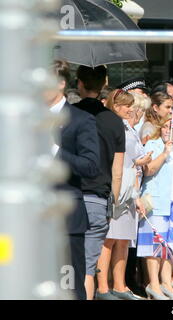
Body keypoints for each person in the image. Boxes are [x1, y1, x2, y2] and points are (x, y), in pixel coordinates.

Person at [46, 60, 100, 300]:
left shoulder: (80, 120)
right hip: (31, 216)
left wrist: (56, 151)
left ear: (60, 83)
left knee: (69, 288)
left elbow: (91, 166)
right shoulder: (27, 118)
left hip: (66, 216)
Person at [73, 65, 126, 300]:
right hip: (98, 198)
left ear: (79, 84)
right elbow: (117, 171)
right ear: (104, 84)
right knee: (87, 267)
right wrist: (112, 202)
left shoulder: (69, 114)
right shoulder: (115, 122)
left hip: (71, 196)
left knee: (65, 264)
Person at [94, 89, 152, 300]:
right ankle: (102, 287)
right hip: (115, 186)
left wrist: (136, 194)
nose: (130, 109)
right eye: (126, 105)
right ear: (115, 106)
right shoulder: (110, 125)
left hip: (130, 187)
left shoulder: (129, 126)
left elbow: (132, 159)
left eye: (131, 105)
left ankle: (120, 285)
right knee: (108, 239)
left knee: (123, 239)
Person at [137, 119, 173, 300]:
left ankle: (166, 282)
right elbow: (148, 170)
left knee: (170, 245)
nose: (168, 131)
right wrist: (164, 152)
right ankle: (153, 283)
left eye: (172, 128)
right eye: (165, 127)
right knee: (155, 243)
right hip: (157, 200)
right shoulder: (152, 144)